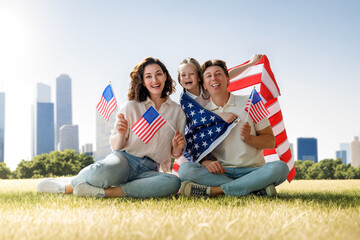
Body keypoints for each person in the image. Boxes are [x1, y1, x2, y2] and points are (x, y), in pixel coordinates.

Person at [37, 57, 186, 198]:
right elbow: (116, 145)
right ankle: (68, 186)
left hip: (151, 169)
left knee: (172, 183)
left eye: (158, 74)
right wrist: (121, 134)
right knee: (102, 172)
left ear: (165, 76)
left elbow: (176, 154)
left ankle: (107, 192)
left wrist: (176, 147)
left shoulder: (177, 112)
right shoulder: (131, 106)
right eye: (148, 76)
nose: (154, 80)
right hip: (124, 160)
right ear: (143, 81)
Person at [178, 59, 289, 197]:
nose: (214, 78)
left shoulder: (250, 102)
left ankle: (216, 191)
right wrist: (206, 162)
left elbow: (270, 142)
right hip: (221, 172)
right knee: (185, 170)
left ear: (228, 79)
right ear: (204, 85)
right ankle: (254, 188)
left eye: (218, 74)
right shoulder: (202, 115)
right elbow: (197, 149)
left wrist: (250, 139)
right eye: (209, 76)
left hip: (253, 170)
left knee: (280, 168)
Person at [172, 55, 263, 173]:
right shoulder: (185, 100)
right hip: (199, 136)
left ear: (199, 77)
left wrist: (251, 63)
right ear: (179, 80)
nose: (187, 77)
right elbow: (198, 118)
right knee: (190, 167)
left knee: (221, 159)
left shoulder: (207, 86)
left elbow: (229, 74)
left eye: (191, 74)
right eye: (183, 75)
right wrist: (219, 116)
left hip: (217, 132)